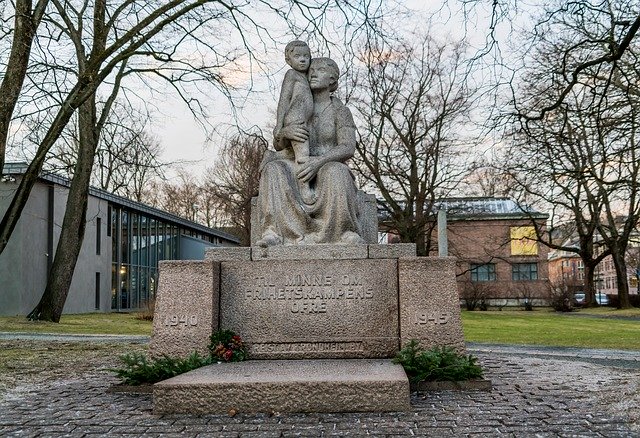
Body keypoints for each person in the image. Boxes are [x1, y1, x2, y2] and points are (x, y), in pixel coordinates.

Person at [256, 57, 365, 246]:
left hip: (326, 163)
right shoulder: (297, 104)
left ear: (332, 79)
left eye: (320, 70)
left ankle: (344, 232)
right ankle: (274, 233)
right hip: (295, 162)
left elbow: (348, 146)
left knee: (336, 173)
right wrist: (284, 132)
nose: (313, 73)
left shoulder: (340, 111)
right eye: (311, 70)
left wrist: (318, 162)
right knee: (273, 170)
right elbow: (279, 144)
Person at [273, 40, 315, 204]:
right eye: (297, 56)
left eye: (306, 56)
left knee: (299, 154)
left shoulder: (308, 77)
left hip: (304, 120)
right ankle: (304, 189)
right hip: (295, 120)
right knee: (302, 157)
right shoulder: (291, 75)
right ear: (288, 60)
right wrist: (279, 124)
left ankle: (279, 155)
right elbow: (284, 100)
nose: (303, 59)